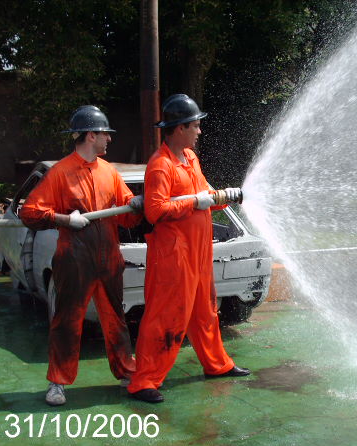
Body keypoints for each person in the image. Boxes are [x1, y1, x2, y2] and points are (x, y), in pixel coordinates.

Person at [127, 94, 248, 403]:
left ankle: (217, 364)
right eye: (195, 125)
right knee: (167, 315)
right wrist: (195, 202)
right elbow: (155, 210)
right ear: (179, 128)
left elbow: (204, 190)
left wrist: (222, 195)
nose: (199, 131)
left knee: (205, 309)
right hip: (173, 254)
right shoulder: (160, 166)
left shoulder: (190, 158)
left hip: (197, 250)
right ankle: (144, 381)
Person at [20, 105, 142, 406]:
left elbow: (126, 213)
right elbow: (29, 212)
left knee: (116, 319)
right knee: (66, 322)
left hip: (108, 258)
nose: (108, 140)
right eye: (104, 134)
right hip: (74, 260)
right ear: (91, 135)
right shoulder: (61, 173)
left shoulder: (109, 172)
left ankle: (128, 372)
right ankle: (57, 383)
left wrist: (135, 204)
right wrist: (64, 219)